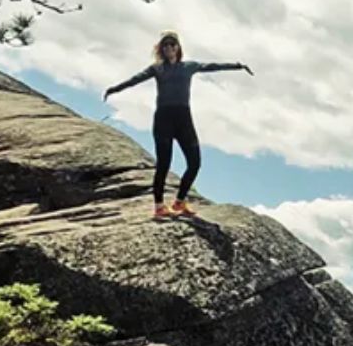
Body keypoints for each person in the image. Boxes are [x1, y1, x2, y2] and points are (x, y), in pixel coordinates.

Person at [104, 30, 252, 218]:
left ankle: (179, 202)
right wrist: (114, 89)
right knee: (164, 164)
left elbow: (212, 66)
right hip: (163, 119)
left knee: (195, 163)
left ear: (178, 47)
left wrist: (237, 66)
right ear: (161, 49)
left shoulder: (188, 66)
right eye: (165, 45)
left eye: (172, 44)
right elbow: (135, 80)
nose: (169, 48)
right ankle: (159, 206)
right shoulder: (157, 69)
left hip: (183, 118)